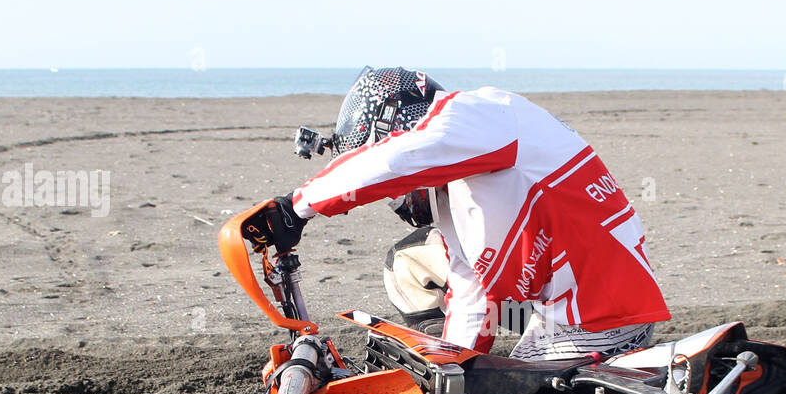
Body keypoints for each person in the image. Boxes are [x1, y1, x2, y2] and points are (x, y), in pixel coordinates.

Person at [265, 66, 670, 360]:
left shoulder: (481, 113)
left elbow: (399, 159)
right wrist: (451, 370)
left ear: (400, 126)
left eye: (399, 196)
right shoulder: (463, 187)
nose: (402, 205)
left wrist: (295, 207)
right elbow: (473, 295)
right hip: (553, 309)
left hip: (599, 314)